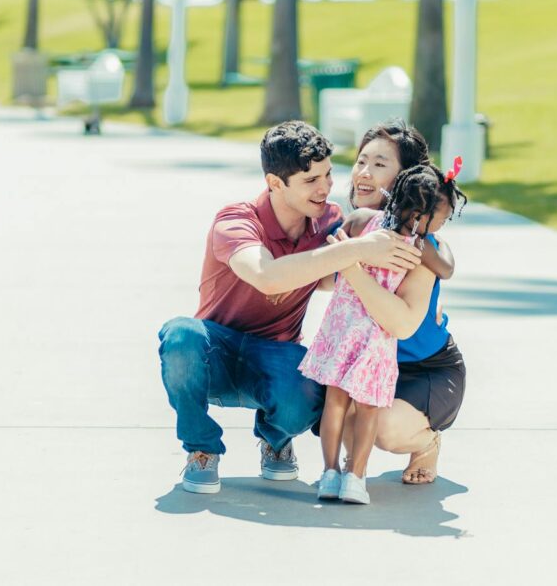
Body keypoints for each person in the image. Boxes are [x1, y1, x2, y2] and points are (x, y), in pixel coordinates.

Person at [158, 120, 424, 494]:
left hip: (276, 357)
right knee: (180, 333)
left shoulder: (330, 222)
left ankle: (276, 439)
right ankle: (201, 449)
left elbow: (356, 274)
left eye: (328, 175)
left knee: (317, 385)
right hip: (215, 353)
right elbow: (267, 276)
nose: (325, 188)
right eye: (310, 180)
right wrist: (357, 249)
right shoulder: (235, 220)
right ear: (275, 183)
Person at [300, 163, 461, 504]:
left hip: (404, 358)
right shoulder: (413, 244)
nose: (366, 172)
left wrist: (349, 261)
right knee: (356, 407)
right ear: (420, 213)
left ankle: (337, 474)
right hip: (372, 338)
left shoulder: (399, 237)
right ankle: (348, 476)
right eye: (443, 219)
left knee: (344, 406)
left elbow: (337, 251)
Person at [343, 119, 469, 485]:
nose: (364, 173)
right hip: (371, 361)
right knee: (325, 406)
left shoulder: (420, 244)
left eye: (380, 164)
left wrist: (351, 265)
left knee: (384, 428)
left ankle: (427, 442)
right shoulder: (354, 226)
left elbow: (442, 264)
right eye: (361, 160)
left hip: (425, 367)